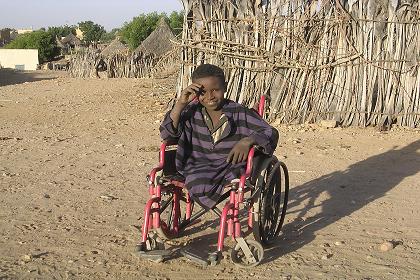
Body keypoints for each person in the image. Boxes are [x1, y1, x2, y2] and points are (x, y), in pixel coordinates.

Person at [160, 64, 278, 209]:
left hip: (229, 167)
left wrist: (248, 140)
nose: (210, 96)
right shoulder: (191, 111)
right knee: (197, 180)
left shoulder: (240, 112)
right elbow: (166, 134)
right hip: (195, 165)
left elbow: (270, 132)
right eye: (203, 92)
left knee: (200, 181)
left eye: (215, 90)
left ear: (225, 87)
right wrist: (180, 103)